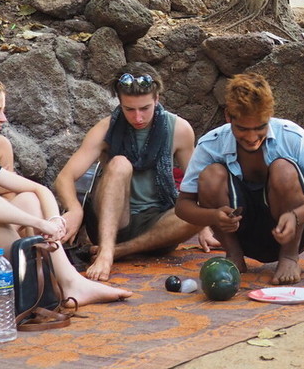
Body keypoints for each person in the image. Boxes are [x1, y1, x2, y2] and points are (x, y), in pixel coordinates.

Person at [0, 81, 131, 308]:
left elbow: (39, 189)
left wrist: (54, 221)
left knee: (28, 199)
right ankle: (40, 284)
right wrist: (38, 223)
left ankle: (67, 281)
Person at [55, 63, 215, 281]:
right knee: (120, 163)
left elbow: (195, 184)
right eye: (129, 109)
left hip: (159, 226)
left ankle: (120, 251)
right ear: (120, 103)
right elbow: (65, 177)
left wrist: (203, 228)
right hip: (112, 220)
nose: (138, 117)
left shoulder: (179, 129)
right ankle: (106, 252)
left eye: (145, 108)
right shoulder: (105, 128)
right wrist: (75, 209)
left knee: (209, 201)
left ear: (157, 99)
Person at [175, 73, 304, 285]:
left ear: (270, 117)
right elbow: (183, 206)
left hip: (296, 232)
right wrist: (214, 216)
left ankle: (289, 257)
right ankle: (234, 255)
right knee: (211, 175)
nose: (252, 138)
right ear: (228, 117)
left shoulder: (292, 136)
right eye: (242, 129)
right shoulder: (210, 144)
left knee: (283, 169)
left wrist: (296, 216)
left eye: (260, 127)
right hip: (244, 235)